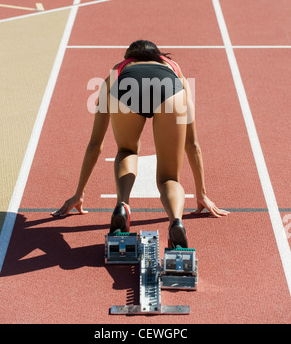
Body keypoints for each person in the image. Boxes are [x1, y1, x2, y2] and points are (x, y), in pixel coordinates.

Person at [53, 40, 229, 248]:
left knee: (126, 151)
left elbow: (95, 144)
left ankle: (122, 205)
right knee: (169, 178)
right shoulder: (175, 69)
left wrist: (79, 193)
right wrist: (202, 193)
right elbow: (192, 144)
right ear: (159, 55)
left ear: (128, 58)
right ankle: (176, 221)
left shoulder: (116, 72)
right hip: (171, 91)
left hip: (126, 89)